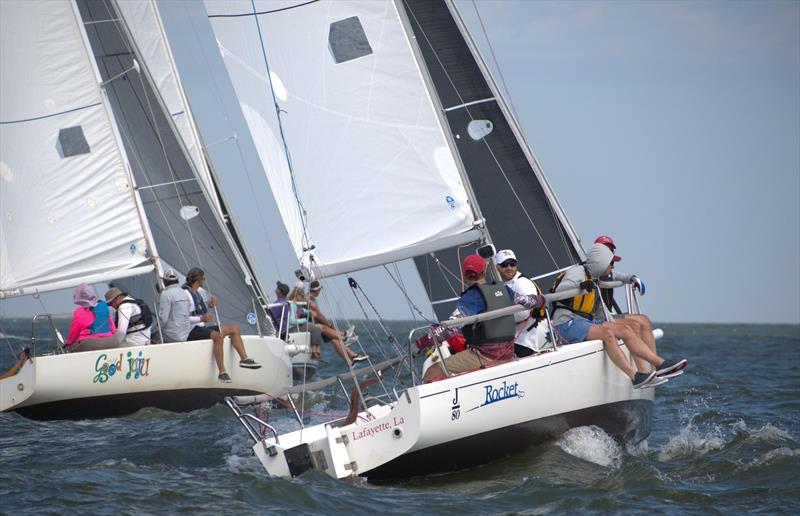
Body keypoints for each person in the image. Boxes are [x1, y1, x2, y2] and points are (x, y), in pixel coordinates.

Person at [550, 243, 687, 388]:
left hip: (585, 320)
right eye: (610, 263)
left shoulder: (595, 274)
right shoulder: (578, 273)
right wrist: (581, 285)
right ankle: (636, 377)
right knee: (608, 334)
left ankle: (660, 364)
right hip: (566, 322)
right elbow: (561, 289)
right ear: (600, 263)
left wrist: (630, 278)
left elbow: (614, 275)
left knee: (626, 330)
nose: (612, 267)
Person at [421, 254, 547, 382]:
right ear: (484, 271)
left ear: (464, 275)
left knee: (432, 372)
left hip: (484, 355)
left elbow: (450, 328)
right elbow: (529, 301)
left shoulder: (472, 297)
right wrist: (542, 300)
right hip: (508, 353)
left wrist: (422, 342)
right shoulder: (504, 290)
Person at [181, 267, 261, 383]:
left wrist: (210, 305)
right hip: (191, 330)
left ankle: (244, 359)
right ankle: (222, 372)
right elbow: (182, 318)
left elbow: (199, 309)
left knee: (233, 328)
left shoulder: (196, 293)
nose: (204, 281)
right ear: (198, 279)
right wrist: (201, 318)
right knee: (217, 336)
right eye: (203, 278)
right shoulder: (185, 295)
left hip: (201, 328)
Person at [594, 235, 660, 373]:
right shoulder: (593, 272)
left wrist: (633, 278)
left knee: (645, 320)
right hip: (598, 318)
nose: (612, 265)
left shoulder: (608, 271)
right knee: (634, 325)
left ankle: (656, 369)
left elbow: (618, 275)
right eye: (610, 261)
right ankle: (643, 373)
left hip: (608, 315)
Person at [494, 249, 548, 357]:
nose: (509, 267)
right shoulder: (500, 285)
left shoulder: (522, 283)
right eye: (504, 265)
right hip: (518, 337)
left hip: (529, 340)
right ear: (497, 267)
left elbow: (523, 314)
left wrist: (497, 319)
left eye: (512, 264)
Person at [308, 280, 367, 366]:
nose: (320, 292)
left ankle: (352, 357)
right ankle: (346, 337)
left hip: (316, 325)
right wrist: (329, 325)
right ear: (317, 290)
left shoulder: (309, 298)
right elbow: (319, 316)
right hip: (316, 327)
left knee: (335, 340)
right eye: (319, 290)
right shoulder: (311, 301)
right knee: (336, 339)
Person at [65, 283, 118, 352]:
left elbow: (74, 331)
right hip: (111, 341)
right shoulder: (103, 306)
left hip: (90, 343)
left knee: (69, 350)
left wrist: (68, 343)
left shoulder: (80, 311)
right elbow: (112, 326)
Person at [288, 285, 323, 359]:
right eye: (302, 296)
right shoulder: (292, 304)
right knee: (315, 329)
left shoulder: (296, 304)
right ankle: (314, 353)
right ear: (297, 295)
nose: (302, 298)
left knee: (316, 328)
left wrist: (309, 312)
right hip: (292, 328)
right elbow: (292, 321)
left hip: (296, 326)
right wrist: (304, 320)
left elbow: (302, 310)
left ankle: (317, 353)